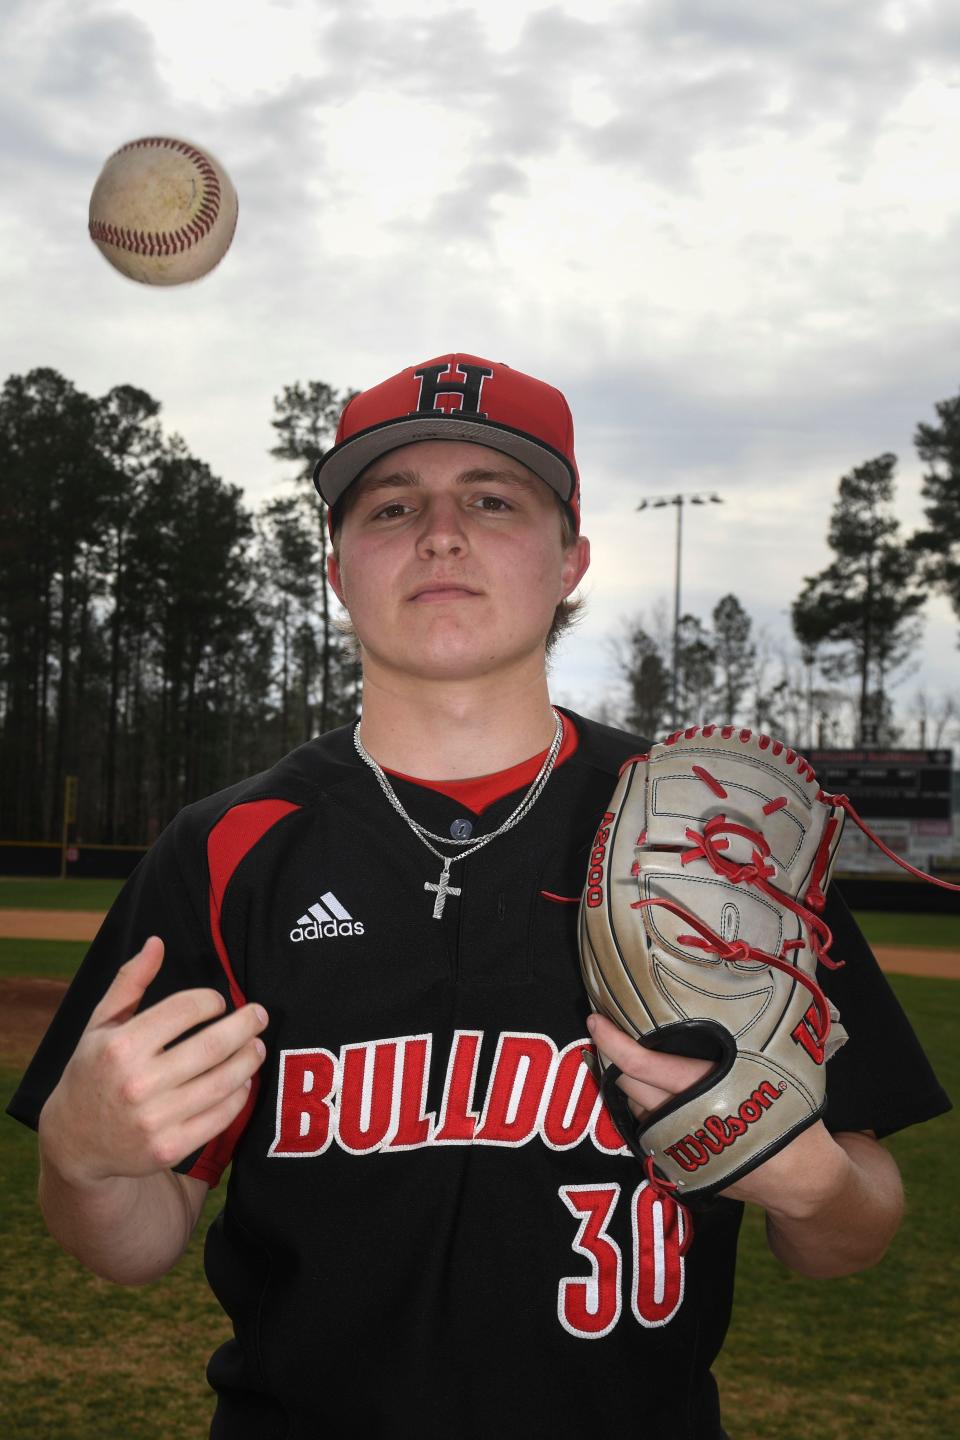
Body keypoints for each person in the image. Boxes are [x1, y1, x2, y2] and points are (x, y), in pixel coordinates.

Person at [8, 354, 950, 1439]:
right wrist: (77, 1161)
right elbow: (138, 1241)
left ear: (570, 561)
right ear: (337, 571)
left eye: (492, 500)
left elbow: (855, 1232)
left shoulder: (719, 836)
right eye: (392, 505)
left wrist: (817, 1187)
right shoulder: (226, 849)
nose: (440, 532)